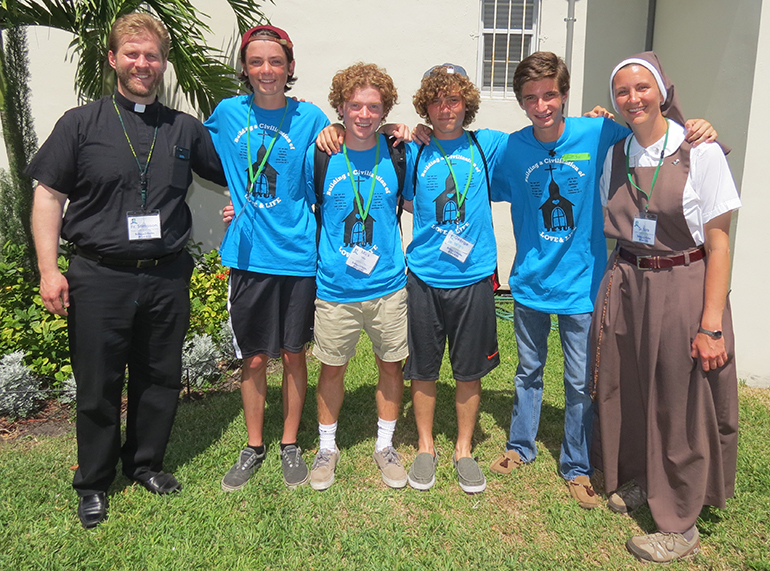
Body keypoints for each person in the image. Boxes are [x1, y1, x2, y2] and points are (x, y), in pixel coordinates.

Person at [488, 52, 716, 509]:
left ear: (565, 94)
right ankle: (520, 445)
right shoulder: (511, 149)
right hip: (531, 282)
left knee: (579, 380)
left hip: (583, 284)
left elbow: (653, 129)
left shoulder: (598, 132)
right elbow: (470, 169)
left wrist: (695, 124)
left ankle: (576, 465)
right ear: (520, 102)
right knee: (528, 372)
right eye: (531, 98)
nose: (542, 105)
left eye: (550, 94)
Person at [28, 13, 227, 529]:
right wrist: (50, 271)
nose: (144, 64)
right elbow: (48, 195)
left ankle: (145, 463)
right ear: (113, 59)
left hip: (166, 274)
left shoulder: (183, 128)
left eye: (153, 56)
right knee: (98, 384)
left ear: (163, 64)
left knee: (160, 376)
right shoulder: (80, 124)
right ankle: (93, 482)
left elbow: (238, 172)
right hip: (99, 275)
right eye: (133, 54)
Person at [591, 52, 739, 563]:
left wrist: (711, 324)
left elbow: (719, 244)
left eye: (641, 88)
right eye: (623, 91)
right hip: (629, 279)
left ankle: (679, 520)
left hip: (683, 282)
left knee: (679, 398)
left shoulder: (700, 151)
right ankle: (639, 477)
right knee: (628, 385)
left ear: (662, 90)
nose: (633, 99)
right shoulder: (617, 151)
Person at [204, 25, 330, 491]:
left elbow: (337, 157)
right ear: (245, 68)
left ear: (290, 67)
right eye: (256, 62)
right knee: (254, 359)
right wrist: (234, 197)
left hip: (298, 256)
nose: (266, 71)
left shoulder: (312, 118)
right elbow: (199, 153)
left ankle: (290, 443)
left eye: (275, 62)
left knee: (294, 353)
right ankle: (254, 445)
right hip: (249, 256)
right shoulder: (227, 113)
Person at [404, 64, 508, 494]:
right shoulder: (412, 149)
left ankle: (464, 449)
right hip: (424, 278)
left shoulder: (489, 145)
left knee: (469, 371)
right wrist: (397, 127)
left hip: (474, 277)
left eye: (453, 100)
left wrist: (595, 119)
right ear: (426, 106)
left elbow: (547, 138)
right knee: (423, 369)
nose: (445, 109)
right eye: (436, 100)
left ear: (467, 103)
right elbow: (364, 141)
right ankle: (425, 446)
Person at [305, 63, 409, 490]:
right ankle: (327, 447)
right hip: (335, 288)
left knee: (391, 366)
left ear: (384, 111)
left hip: (388, 286)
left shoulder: (399, 151)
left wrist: (413, 128)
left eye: (373, 107)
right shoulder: (322, 153)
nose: (363, 114)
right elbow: (293, 201)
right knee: (332, 369)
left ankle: (385, 444)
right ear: (341, 107)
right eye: (354, 106)